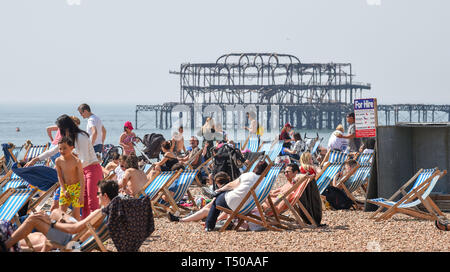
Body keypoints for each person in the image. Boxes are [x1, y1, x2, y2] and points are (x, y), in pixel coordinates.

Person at [3, 179, 119, 252]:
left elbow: (75, 229)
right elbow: (83, 229)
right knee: (54, 213)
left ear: (105, 196)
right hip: (77, 238)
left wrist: (51, 222)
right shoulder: (111, 212)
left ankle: (5, 246)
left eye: (98, 193)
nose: (97, 195)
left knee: (34, 219)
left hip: (72, 241)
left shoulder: (100, 212)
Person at [26, 114, 103, 219]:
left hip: (91, 169)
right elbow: (53, 150)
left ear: (66, 127)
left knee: (91, 200)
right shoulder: (69, 138)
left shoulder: (80, 137)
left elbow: (84, 160)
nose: (60, 132)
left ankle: (97, 225)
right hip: (82, 171)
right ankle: (85, 226)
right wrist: (36, 159)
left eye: (61, 129)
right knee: (83, 203)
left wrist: (70, 165)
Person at [204, 161, 269, 231]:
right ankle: (215, 194)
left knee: (216, 200)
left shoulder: (248, 175)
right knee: (226, 194)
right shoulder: (265, 181)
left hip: (233, 203)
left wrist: (220, 190)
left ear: (255, 168)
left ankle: (209, 226)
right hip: (248, 206)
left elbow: (231, 185)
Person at [55, 137, 85, 221]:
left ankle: (77, 232)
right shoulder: (58, 161)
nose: (62, 151)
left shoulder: (76, 161)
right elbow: (60, 176)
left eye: (65, 148)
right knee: (61, 213)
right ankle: (62, 231)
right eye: (60, 149)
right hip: (65, 187)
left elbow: (82, 178)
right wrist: (64, 190)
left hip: (76, 188)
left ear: (72, 148)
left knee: (76, 214)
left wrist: (81, 194)